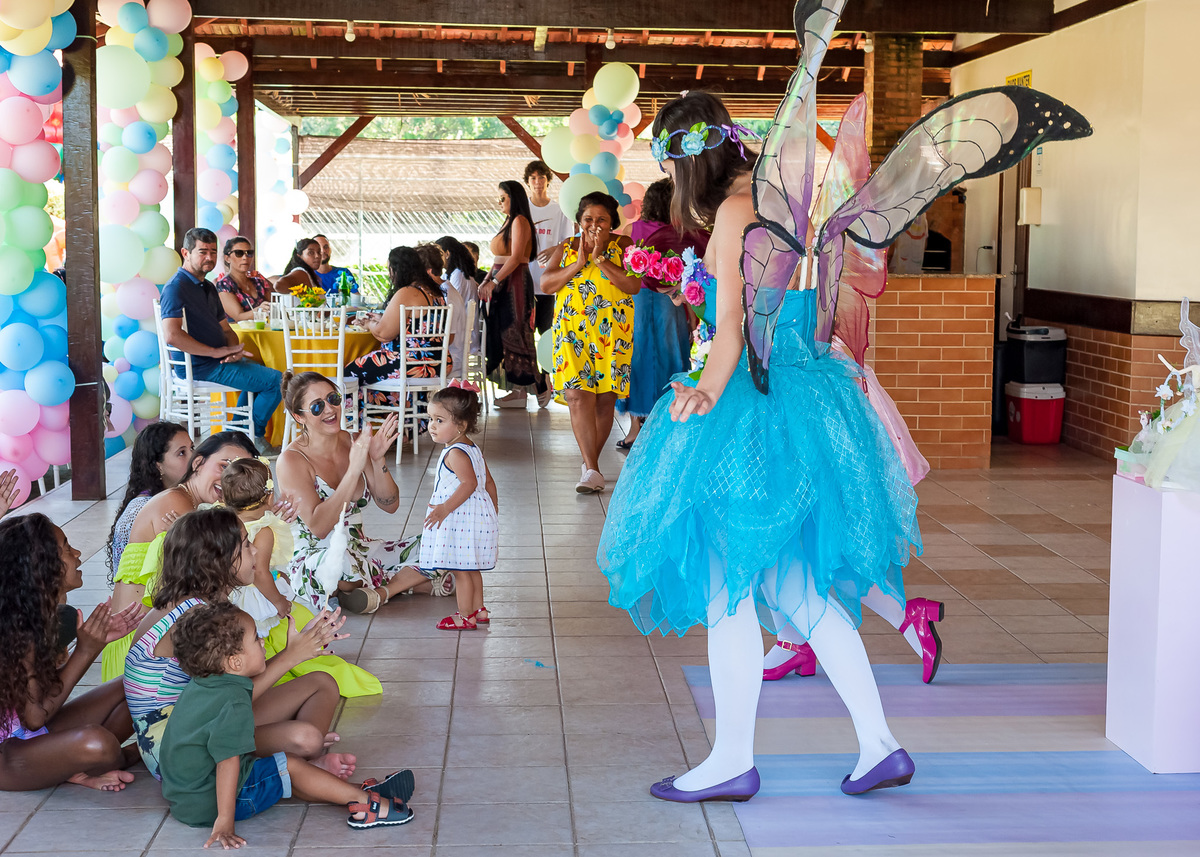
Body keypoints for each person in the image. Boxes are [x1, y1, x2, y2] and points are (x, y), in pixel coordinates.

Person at [597, 91, 922, 802]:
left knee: (728, 587)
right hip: (805, 400)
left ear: (684, 163)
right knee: (798, 589)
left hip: (750, 410)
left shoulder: (735, 214)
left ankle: (732, 760)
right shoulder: (783, 202)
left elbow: (733, 338)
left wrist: (700, 396)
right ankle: (879, 744)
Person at [123, 507, 353, 783]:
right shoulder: (194, 618)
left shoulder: (198, 605)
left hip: (203, 721)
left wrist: (302, 645)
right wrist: (292, 656)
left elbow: (229, 688)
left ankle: (299, 761)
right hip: (181, 750)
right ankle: (293, 765)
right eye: (246, 545)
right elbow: (223, 700)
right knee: (305, 738)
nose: (256, 551)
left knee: (322, 683)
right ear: (217, 560)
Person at [160, 602, 413, 847]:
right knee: (288, 766)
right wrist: (224, 820)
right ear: (235, 662)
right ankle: (365, 804)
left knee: (281, 769)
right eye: (256, 639)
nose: (262, 642)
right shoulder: (233, 702)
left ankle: (350, 792)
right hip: (211, 804)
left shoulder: (203, 686)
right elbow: (228, 761)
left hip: (186, 799)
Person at [276, 372, 450, 615]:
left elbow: (390, 504)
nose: (329, 409)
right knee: (342, 564)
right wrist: (354, 469)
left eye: (333, 399)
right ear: (299, 416)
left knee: (445, 541)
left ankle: (382, 591)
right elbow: (318, 527)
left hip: (363, 550)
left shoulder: (354, 441)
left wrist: (377, 459)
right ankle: (409, 581)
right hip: (319, 558)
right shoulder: (291, 460)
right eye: (317, 407)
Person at [0, 514, 145, 792]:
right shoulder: (19, 631)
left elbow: (38, 708)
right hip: (8, 755)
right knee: (96, 742)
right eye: (66, 548)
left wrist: (94, 643)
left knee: (135, 685)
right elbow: (35, 718)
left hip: (31, 735)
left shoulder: (39, 616)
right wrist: (86, 651)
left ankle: (69, 766)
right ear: (42, 568)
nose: (77, 553)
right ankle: (128, 755)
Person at [103, 430, 263, 681]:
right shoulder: (178, 503)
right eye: (225, 466)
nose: (230, 478)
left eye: (241, 472)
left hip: (158, 645)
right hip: (146, 655)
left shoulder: (195, 506)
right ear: (198, 463)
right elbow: (226, 579)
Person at [220, 459, 382, 697]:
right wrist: (278, 601)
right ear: (268, 497)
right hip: (259, 596)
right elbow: (260, 573)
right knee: (283, 625)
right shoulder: (263, 530)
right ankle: (283, 667)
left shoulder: (224, 522)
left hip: (234, 594)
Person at [541, 192, 639, 493]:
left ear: (613, 224)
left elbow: (633, 285)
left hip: (613, 333)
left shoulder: (625, 246)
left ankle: (590, 467)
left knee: (605, 400)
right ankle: (592, 468)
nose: (594, 225)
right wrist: (580, 261)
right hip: (573, 332)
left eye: (601, 220)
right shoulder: (567, 247)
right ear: (578, 221)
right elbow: (547, 284)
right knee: (576, 396)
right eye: (588, 219)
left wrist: (600, 259)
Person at [159, 227, 283, 455]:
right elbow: (172, 335)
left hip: (217, 360)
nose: (209, 257)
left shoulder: (207, 287)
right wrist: (215, 353)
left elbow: (225, 328)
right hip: (200, 366)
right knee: (275, 381)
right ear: (185, 253)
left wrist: (231, 348)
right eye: (202, 251)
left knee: (262, 374)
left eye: (213, 251)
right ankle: (249, 437)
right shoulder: (176, 287)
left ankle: (238, 436)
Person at [616, 178, 711, 450]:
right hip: (673, 298)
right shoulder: (688, 232)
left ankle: (635, 428)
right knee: (673, 355)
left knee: (638, 357)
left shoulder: (631, 229)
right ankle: (670, 422)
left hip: (637, 298)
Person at [420, 384, 498, 631]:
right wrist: (492, 512)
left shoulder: (454, 453)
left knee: (460, 569)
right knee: (471, 567)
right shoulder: (471, 448)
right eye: (431, 418)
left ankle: (466, 615)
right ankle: (479, 609)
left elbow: (469, 483)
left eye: (440, 420)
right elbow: (489, 482)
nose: (432, 425)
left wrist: (444, 508)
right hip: (474, 518)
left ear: (461, 425)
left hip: (460, 519)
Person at [345, 246, 450, 428]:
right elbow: (415, 327)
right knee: (365, 374)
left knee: (349, 374)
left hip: (409, 362)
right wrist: (381, 319)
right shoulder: (434, 292)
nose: (389, 275)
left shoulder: (407, 292)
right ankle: (397, 427)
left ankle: (358, 431)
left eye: (389, 270)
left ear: (397, 269)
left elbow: (384, 335)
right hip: (436, 363)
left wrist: (369, 324)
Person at [480, 181, 550, 409]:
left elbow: (516, 256)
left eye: (503, 198)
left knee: (517, 331)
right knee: (503, 333)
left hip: (515, 282)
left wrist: (496, 281)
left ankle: (539, 383)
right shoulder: (508, 221)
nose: (499, 202)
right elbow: (498, 259)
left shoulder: (520, 221)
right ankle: (517, 389)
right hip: (502, 280)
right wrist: (486, 280)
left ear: (513, 198)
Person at [107, 422, 193, 581]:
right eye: (182, 453)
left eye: (192, 449)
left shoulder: (166, 497)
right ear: (158, 466)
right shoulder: (153, 506)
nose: (194, 458)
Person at [523, 160, 572, 335]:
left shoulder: (559, 210)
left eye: (541, 177)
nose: (538, 182)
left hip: (549, 280)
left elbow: (568, 241)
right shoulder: (522, 209)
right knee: (525, 332)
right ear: (527, 181)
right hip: (525, 279)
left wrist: (554, 250)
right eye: (533, 178)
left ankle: (548, 363)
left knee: (547, 331)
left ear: (548, 180)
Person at [418, 243, 465, 373]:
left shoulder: (446, 295)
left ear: (428, 271)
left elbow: (448, 339)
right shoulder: (441, 290)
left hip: (448, 359)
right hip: (441, 356)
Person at [215, 237, 272, 322]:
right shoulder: (224, 285)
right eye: (239, 253)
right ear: (227, 258)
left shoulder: (259, 282)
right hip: (239, 333)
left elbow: (274, 307)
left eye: (249, 253)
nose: (245, 257)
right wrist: (259, 310)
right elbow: (238, 317)